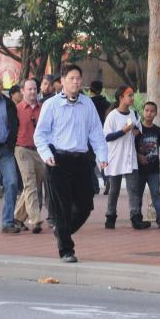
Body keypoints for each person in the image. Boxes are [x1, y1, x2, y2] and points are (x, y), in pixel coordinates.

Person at [34, 64, 109, 263]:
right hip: (58, 161)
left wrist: (102, 157)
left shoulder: (88, 104)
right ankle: (66, 250)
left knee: (85, 205)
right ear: (63, 81)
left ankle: (62, 231)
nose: (76, 82)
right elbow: (39, 134)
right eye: (72, 78)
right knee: (62, 206)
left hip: (82, 161)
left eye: (78, 78)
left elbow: (96, 133)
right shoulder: (51, 105)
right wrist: (45, 154)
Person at [102, 86, 140, 229]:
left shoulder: (134, 114)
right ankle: (110, 216)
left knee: (133, 188)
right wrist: (123, 131)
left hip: (130, 155)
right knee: (114, 189)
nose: (132, 98)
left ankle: (135, 216)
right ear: (121, 98)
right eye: (129, 95)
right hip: (116, 156)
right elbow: (107, 136)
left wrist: (136, 131)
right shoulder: (112, 116)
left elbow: (138, 130)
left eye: (132, 95)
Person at [0, 75, 22, 235]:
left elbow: (15, 124)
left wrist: (11, 143)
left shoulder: (9, 104)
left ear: (2, 86)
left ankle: (7, 222)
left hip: (5, 150)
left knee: (12, 183)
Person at [130, 100, 160, 229]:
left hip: (153, 170)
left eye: (152, 111)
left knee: (156, 193)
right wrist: (138, 155)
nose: (149, 113)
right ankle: (137, 218)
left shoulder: (157, 130)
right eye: (147, 110)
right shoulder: (137, 131)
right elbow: (129, 147)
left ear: (156, 113)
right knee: (137, 194)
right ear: (143, 111)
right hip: (139, 170)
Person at [13, 78, 45, 234]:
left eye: (34, 89)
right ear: (23, 91)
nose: (33, 92)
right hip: (21, 149)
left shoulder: (43, 109)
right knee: (30, 183)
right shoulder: (17, 109)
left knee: (32, 185)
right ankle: (35, 218)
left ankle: (17, 218)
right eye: (29, 89)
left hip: (39, 151)